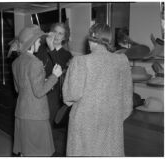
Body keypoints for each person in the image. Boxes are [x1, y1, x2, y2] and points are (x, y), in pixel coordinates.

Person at [62, 23, 133, 156]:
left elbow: (71, 95)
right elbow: (127, 99)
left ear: (92, 38)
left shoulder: (80, 61)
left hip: (85, 122)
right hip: (111, 120)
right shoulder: (122, 60)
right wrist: (114, 116)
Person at [9, 25, 62, 156]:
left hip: (21, 113)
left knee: (26, 153)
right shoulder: (35, 63)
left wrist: (42, 81)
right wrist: (54, 76)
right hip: (36, 116)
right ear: (31, 43)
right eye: (38, 40)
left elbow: (18, 89)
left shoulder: (16, 62)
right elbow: (39, 92)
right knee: (39, 153)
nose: (40, 42)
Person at [35, 22, 72, 126]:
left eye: (60, 33)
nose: (56, 35)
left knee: (46, 125)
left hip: (52, 95)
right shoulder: (40, 49)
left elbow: (59, 68)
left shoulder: (66, 54)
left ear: (64, 37)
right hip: (37, 89)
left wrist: (52, 48)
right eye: (55, 32)